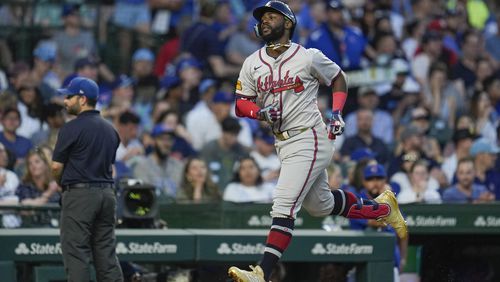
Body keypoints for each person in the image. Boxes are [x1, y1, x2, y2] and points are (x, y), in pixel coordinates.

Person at [227, 2, 407, 281]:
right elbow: (241, 104)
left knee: (284, 204)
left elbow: (338, 78)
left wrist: (336, 112)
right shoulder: (252, 62)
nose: (264, 21)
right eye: (262, 18)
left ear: (288, 23)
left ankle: (262, 272)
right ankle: (384, 209)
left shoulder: (308, 56)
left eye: (271, 16)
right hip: (283, 142)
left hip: (310, 135)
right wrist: (259, 112)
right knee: (320, 205)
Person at [51, 77, 123, 282]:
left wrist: (61, 184)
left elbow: (56, 166)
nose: (65, 101)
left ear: (82, 99)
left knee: (76, 252)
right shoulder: (111, 130)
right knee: (105, 252)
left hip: (80, 194)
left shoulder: (71, 128)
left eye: (69, 96)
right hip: (107, 194)